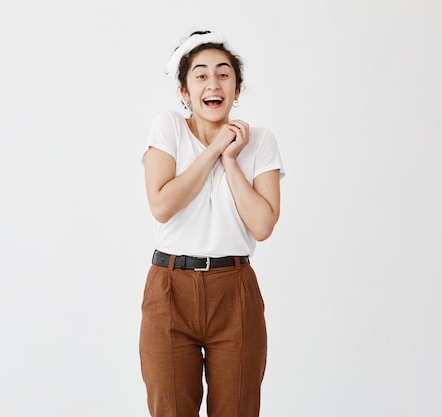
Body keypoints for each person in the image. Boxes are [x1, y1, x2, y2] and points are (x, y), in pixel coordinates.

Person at [139, 30, 285, 417]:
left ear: (237, 90)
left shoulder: (261, 141)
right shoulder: (168, 127)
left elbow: (262, 226)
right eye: (200, 75)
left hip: (234, 290)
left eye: (223, 74)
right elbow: (162, 205)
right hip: (170, 288)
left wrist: (232, 160)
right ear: (185, 92)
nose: (213, 82)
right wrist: (215, 149)